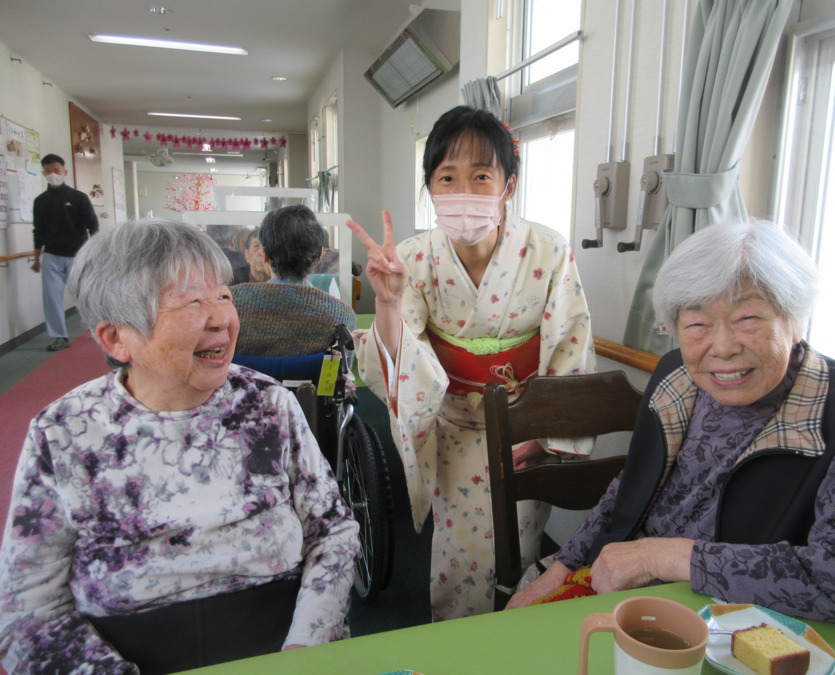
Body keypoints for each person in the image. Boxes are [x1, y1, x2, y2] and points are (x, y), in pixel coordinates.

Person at [0, 219, 360, 673]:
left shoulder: (269, 405)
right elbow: (28, 612)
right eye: (192, 302)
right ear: (116, 338)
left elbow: (335, 532)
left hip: (282, 648)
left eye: (224, 297)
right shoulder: (63, 432)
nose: (223, 319)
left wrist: (304, 650)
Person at [507, 220, 835, 627]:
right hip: (616, 582)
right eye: (697, 324)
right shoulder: (676, 375)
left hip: (721, 621)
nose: (724, 348)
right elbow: (631, 487)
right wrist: (561, 569)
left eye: (748, 318)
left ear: (796, 320)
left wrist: (664, 555)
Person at [346, 105, 595, 620]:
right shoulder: (412, 259)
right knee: (461, 556)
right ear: (431, 186)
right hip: (455, 422)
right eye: (447, 177)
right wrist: (388, 302)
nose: (464, 190)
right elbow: (398, 359)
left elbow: (571, 345)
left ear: (508, 184)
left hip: (527, 426)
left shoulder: (548, 250)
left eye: (481, 176)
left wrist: (546, 434)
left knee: (520, 549)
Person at [232, 205, 356, 357]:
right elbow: (344, 373)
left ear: (264, 255)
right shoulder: (342, 316)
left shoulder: (232, 304)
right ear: (318, 257)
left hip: (247, 381)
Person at [30, 153, 99, 351]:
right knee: (51, 298)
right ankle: (60, 336)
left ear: (65, 172)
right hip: (51, 255)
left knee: (86, 294)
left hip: (78, 254)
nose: (53, 175)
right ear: (43, 173)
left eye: (56, 171)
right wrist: (37, 259)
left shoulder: (78, 198)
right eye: (49, 171)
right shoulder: (40, 201)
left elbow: (92, 225)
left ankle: (97, 329)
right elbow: (38, 231)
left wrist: (94, 252)